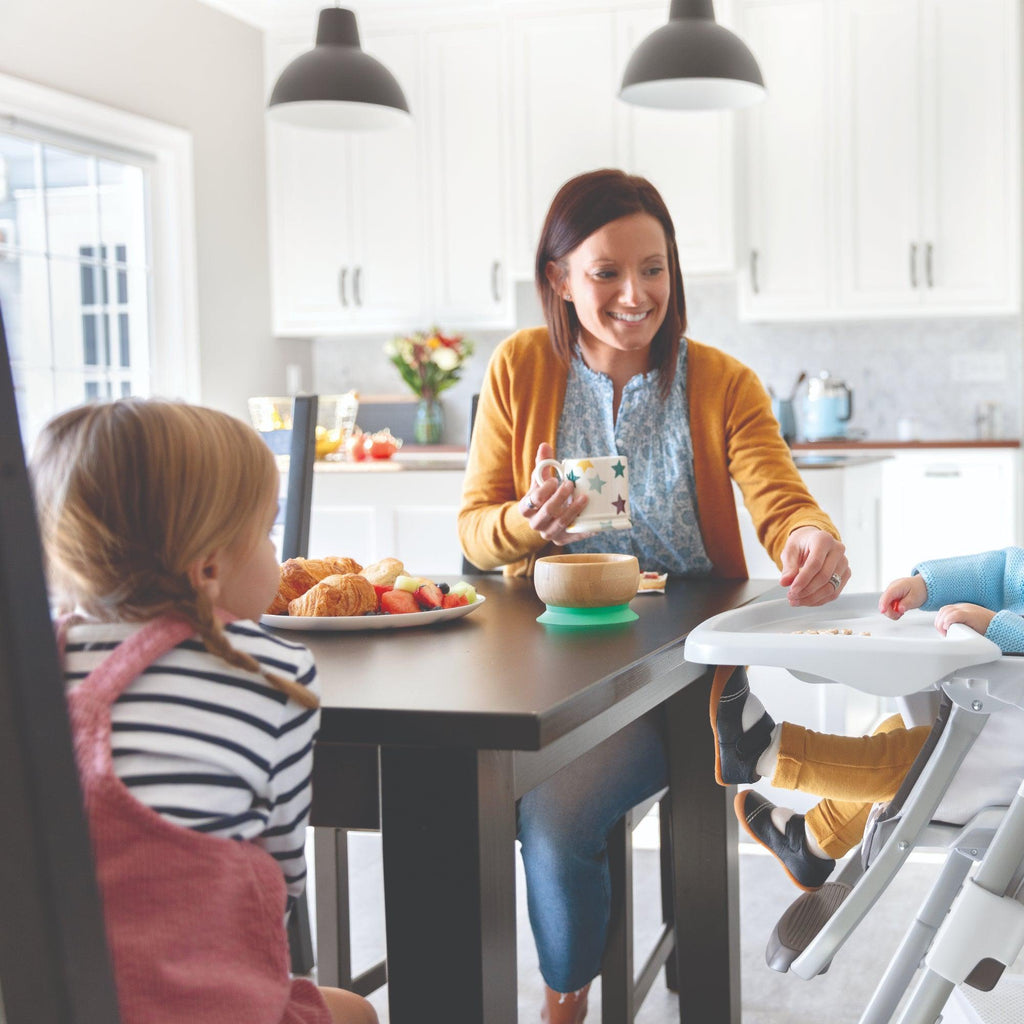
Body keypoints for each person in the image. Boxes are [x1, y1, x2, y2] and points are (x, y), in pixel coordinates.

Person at [457, 168, 849, 1023]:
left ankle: (565, 1000)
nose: (636, 295)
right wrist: (524, 523)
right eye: (606, 273)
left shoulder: (723, 382)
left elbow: (780, 502)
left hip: (679, 665)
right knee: (469, 792)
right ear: (559, 279)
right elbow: (474, 533)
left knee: (554, 818)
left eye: (655, 268)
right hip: (544, 655)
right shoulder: (521, 368)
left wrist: (810, 539)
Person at [31, 398, 377, 1024]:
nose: (277, 553)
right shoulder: (271, 670)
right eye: (268, 532)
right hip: (196, 1005)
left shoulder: (33, 663)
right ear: (211, 566)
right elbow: (280, 879)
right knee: (355, 1011)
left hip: (51, 999)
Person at [714, 546, 1024, 893]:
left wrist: (998, 628)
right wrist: (926, 586)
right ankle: (813, 841)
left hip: (1007, 774)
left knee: (910, 759)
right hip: (997, 727)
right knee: (897, 733)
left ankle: (760, 752)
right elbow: (1005, 571)